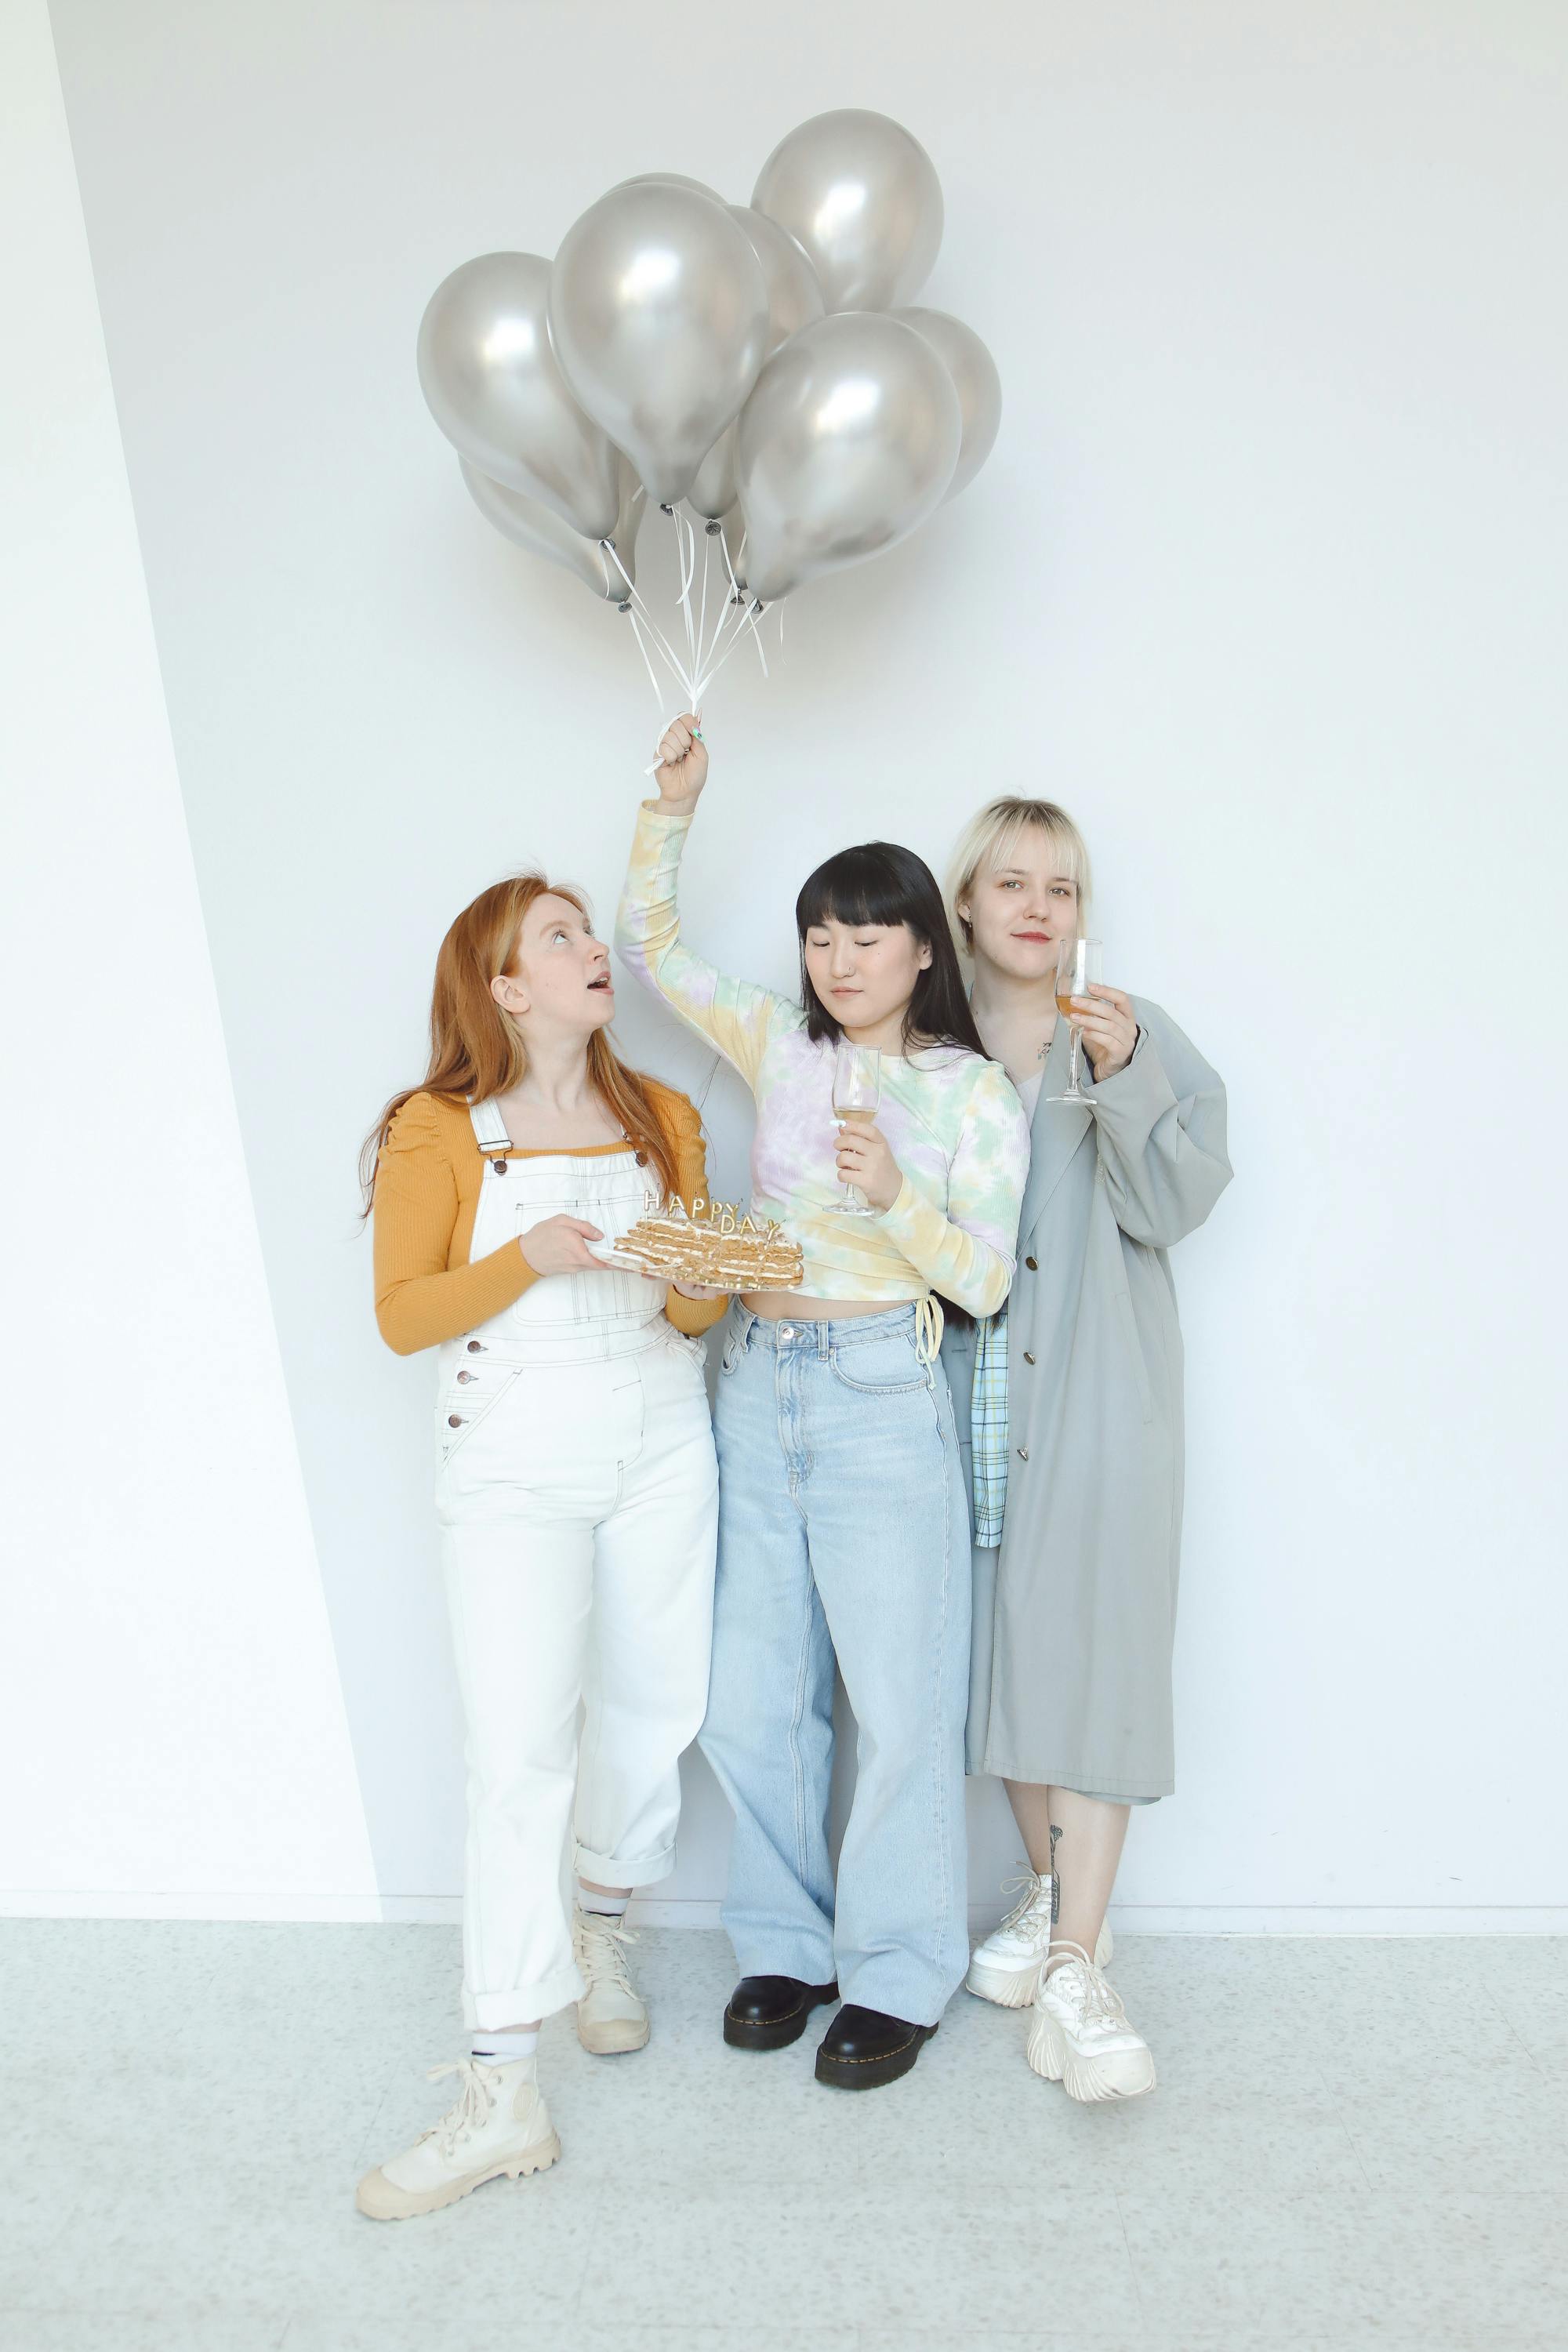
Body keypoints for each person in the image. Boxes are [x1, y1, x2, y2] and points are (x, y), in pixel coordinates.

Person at [616, 716, 1030, 2091]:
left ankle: (901, 1970)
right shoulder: (774, 1042)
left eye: (868, 936)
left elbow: (978, 1286)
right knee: (753, 1694)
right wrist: (672, 811)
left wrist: (892, 1197)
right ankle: (783, 1948)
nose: (840, 961)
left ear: (925, 947)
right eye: (820, 938)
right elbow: (658, 952)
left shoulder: (971, 1095)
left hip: (875, 1387)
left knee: (901, 1701)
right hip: (756, 1379)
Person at [354, 868, 725, 2218]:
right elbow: (403, 1315)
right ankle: (500, 2080)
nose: (592, 949)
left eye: (587, 929)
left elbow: (694, 1319)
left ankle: (605, 1933)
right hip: (512, 1454)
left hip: (662, 1438)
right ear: (505, 987)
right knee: (517, 1751)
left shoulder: (664, 1117)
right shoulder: (435, 1129)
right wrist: (537, 1259)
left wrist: (697, 1286)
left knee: (654, 1700)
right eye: (557, 937)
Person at [942, 796, 1231, 2101]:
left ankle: (1074, 1965)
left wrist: (1121, 1086)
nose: (1038, 907)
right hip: (960, 1388)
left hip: (1101, 1392)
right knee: (998, 1649)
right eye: (1011, 881)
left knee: (1096, 1646)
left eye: (1062, 886)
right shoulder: (924, 1042)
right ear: (965, 901)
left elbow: (1175, 1205)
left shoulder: (1126, 1034)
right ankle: (1065, 1895)